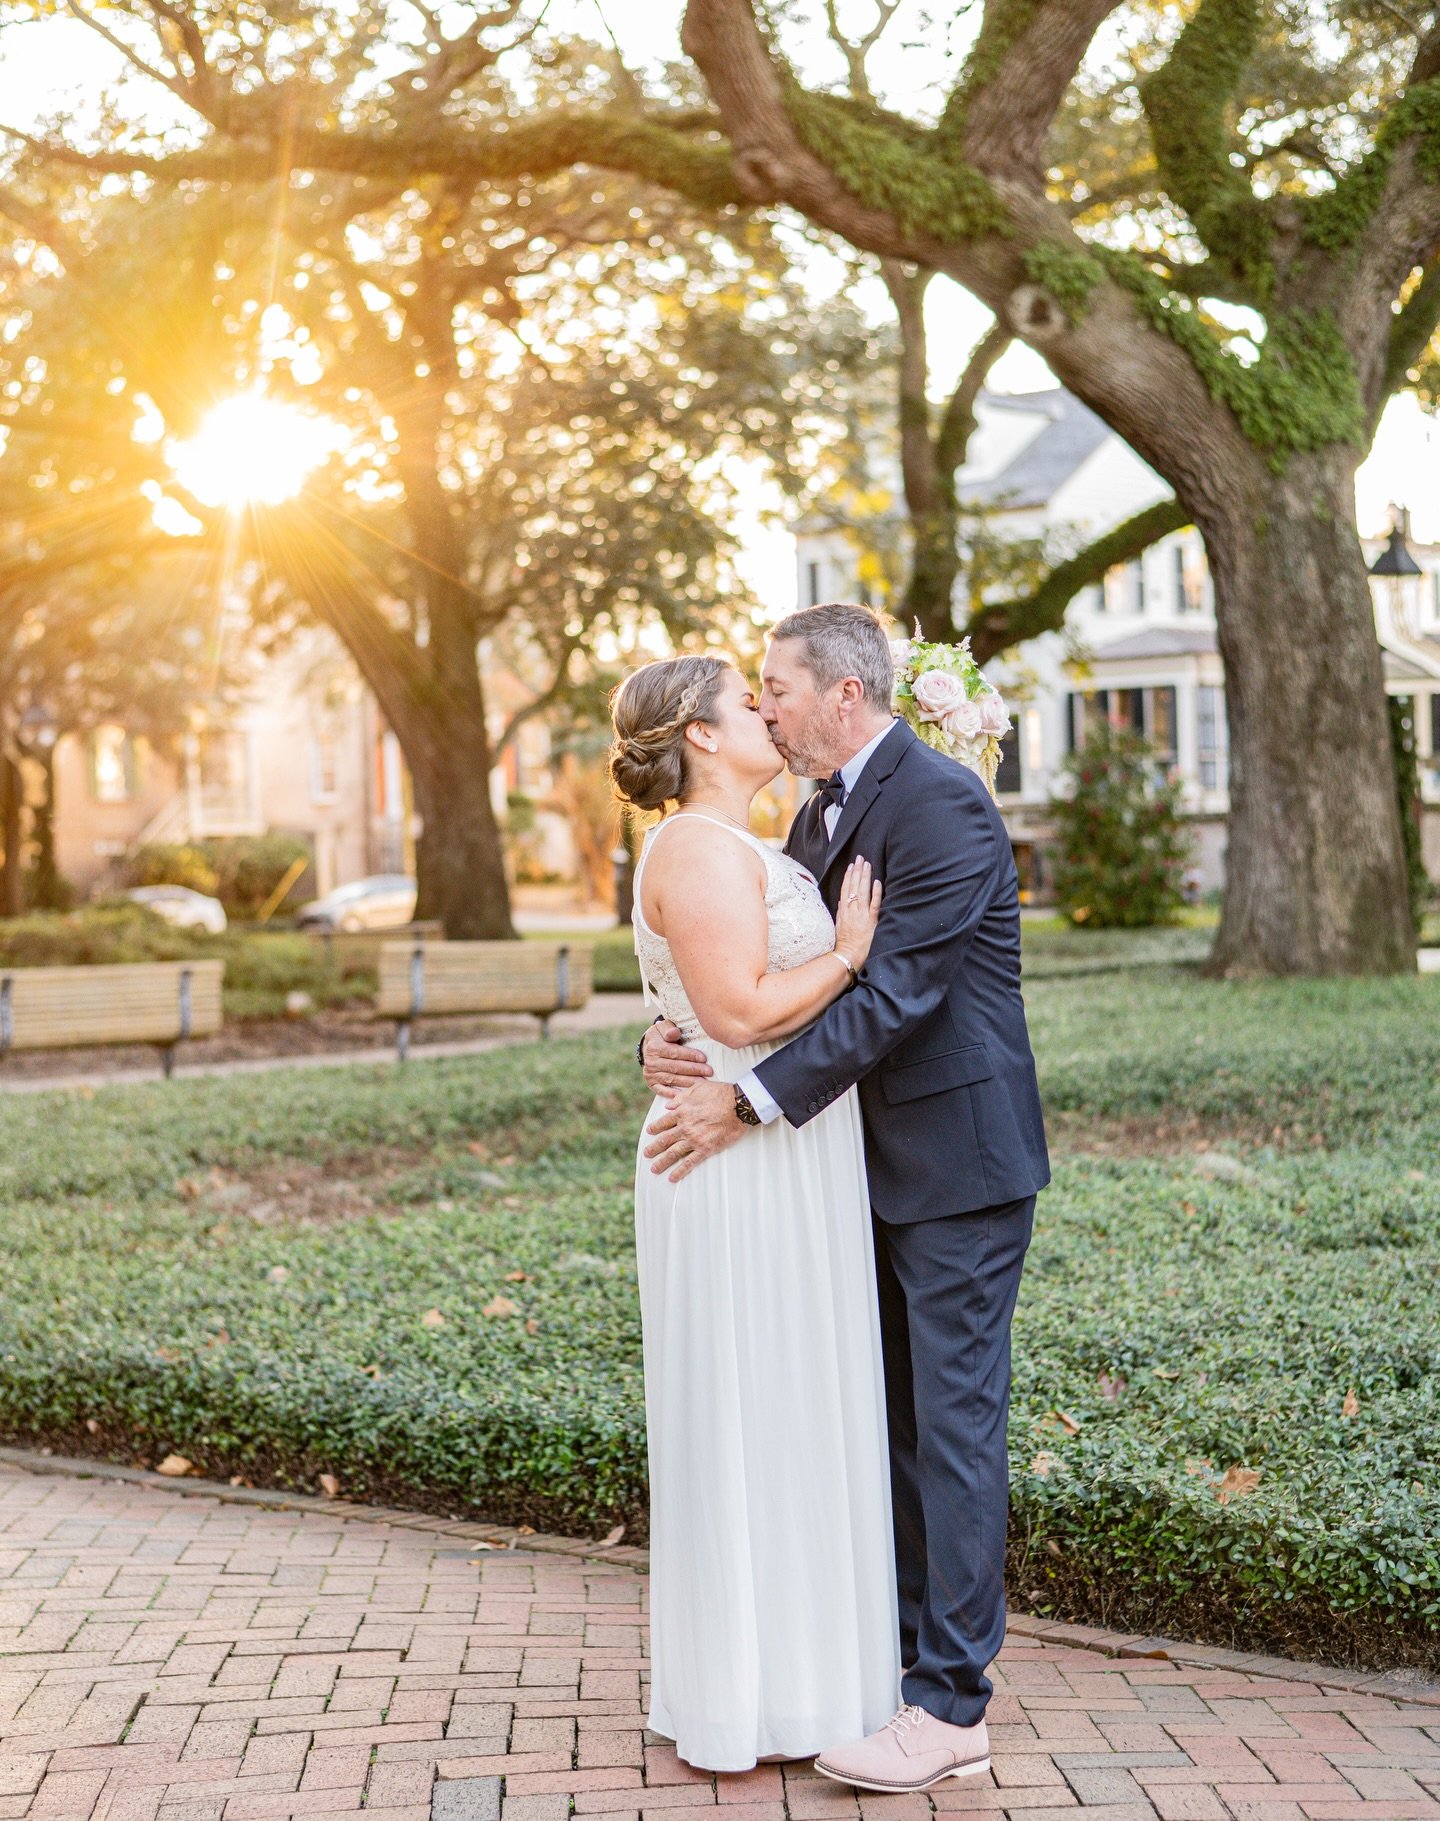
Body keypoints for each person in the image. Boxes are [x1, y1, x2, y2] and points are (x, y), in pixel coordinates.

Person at [642, 605, 1049, 1795]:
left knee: (952, 1431)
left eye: (777, 685)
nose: (763, 705)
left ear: (845, 696)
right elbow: (761, 980)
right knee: (893, 1426)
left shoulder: (939, 804)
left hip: (958, 1170)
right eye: (754, 690)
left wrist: (748, 1102)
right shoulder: (818, 811)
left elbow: (897, 996)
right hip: (850, 1171)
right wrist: (679, 1051)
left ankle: (952, 1707)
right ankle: (899, 1669)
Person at [611, 652, 900, 1774]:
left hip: (779, 1143)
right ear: (696, 735)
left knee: (798, 1400)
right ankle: (753, 1692)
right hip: (727, 1162)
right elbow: (737, 1004)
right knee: (753, 1401)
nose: (768, 715)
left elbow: (701, 1001)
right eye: (747, 702)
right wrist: (845, 954)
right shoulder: (692, 846)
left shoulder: (748, 846)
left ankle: (814, 1677)